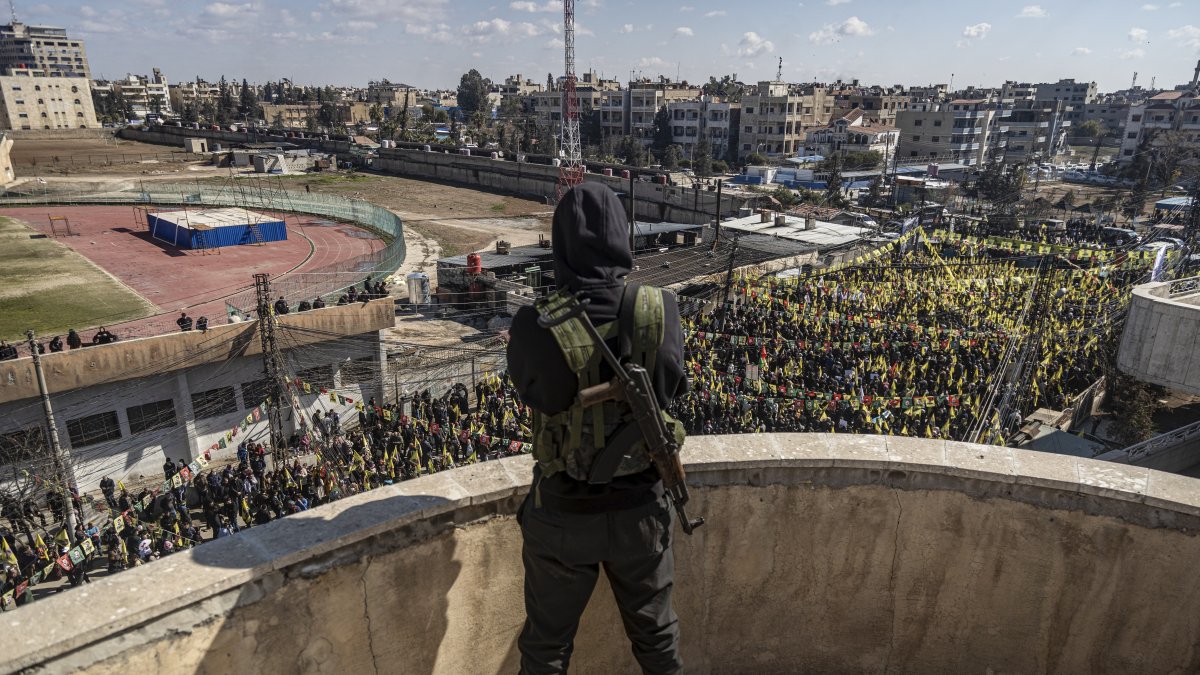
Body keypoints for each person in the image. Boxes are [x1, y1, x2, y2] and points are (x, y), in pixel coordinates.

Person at [506, 183, 689, 674]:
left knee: (546, 649)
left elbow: (535, 396)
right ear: (621, 238)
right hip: (642, 511)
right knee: (658, 642)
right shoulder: (662, 308)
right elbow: (673, 388)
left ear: (561, 244)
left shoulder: (535, 323)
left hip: (562, 513)